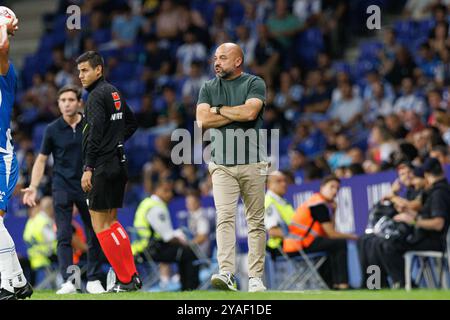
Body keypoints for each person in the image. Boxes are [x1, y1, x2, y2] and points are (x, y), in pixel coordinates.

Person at [196, 42, 268, 292]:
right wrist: (231, 113)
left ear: (238, 61)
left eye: (223, 58)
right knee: (224, 218)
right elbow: (202, 121)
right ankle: (227, 273)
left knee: (255, 221)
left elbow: (250, 113)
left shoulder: (254, 83)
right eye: (215, 58)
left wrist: (217, 110)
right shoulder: (207, 87)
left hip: (254, 162)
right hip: (221, 164)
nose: (217, 62)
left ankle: (255, 277)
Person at [21, 85, 106, 294]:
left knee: (94, 231)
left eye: (70, 100)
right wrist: (33, 186)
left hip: (88, 186)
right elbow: (40, 160)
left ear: (79, 103)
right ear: (58, 104)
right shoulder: (52, 129)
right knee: (64, 234)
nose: (66, 104)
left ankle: (94, 279)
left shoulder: (90, 125)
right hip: (61, 187)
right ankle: (70, 281)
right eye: (62, 100)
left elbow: (102, 154)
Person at [76, 51, 140, 292]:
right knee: (112, 222)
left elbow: (92, 136)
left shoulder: (94, 97)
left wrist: (88, 168)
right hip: (119, 163)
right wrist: (116, 142)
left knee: (100, 225)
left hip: (101, 166)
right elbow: (132, 122)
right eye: (79, 71)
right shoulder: (113, 91)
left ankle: (124, 280)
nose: (80, 75)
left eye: (85, 70)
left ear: (98, 70)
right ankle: (131, 276)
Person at [0, 17, 34, 300]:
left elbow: (2, 48)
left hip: (3, 158)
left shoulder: (5, 76)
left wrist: (2, 24)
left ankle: (11, 282)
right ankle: (17, 282)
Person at [376, 158, 450, 288]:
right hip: (426, 236)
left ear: (426, 175)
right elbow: (427, 216)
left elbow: (438, 224)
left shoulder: (439, 193)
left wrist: (414, 221)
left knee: (390, 245)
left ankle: (403, 284)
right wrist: (410, 215)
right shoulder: (435, 191)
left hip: (435, 240)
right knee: (386, 243)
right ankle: (400, 283)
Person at [283, 175, 358, 289]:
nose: (334, 191)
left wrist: (334, 211)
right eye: (331, 187)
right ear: (322, 187)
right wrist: (352, 237)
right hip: (299, 245)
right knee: (340, 243)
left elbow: (330, 232)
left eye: (337, 189)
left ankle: (332, 285)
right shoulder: (318, 205)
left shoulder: (317, 202)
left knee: (331, 245)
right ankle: (342, 284)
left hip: (299, 244)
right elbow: (332, 234)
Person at [131, 181, 200, 291]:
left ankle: (187, 289)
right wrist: (183, 241)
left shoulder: (146, 203)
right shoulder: (156, 207)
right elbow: (168, 237)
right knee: (189, 252)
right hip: (151, 249)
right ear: (156, 191)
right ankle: (190, 289)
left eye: (170, 191)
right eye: (165, 191)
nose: (170, 194)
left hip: (141, 248)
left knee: (184, 252)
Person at [23, 197, 57, 288]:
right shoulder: (44, 221)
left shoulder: (32, 221)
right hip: (46, 256)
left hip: (34, 257)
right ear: (51, 208)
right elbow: (52, 239)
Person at [264, 171, 295, 259]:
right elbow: (273, 231)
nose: (284, 184)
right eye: (278, 181)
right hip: (280, 246)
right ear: (268, 185)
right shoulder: (269, 202)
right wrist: (298, 237)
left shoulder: (282, 201)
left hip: (289, 243)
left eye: (285, 181)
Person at [185, 190, 211, 258]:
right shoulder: (192, 215)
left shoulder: (202, 217)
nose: (188, 205)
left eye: (191, 203)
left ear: (197, 202)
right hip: (194, 249)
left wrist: (187, 245)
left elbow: (202, 237)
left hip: (201, 251)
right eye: (187, 203)